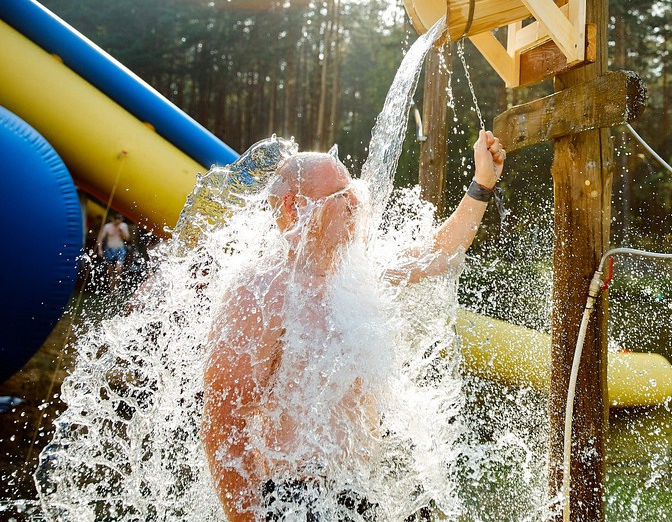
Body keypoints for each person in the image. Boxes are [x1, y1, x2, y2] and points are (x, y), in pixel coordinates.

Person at [202, 130, 506, 522]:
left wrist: (482, 184)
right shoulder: (260, 291)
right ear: (296, 207)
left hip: (360, 492)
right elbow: (223, 422)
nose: (355, 204)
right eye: (340, 195)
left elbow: (441, 250)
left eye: (354, 192)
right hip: (296, 498)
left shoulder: (357, 273)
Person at [96, 213, 131, 292]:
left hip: (120, 248)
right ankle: (112, 288)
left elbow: (128, 239)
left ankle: (117, 286)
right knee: (110, 270)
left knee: (119, 268)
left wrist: (122, 232)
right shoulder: (107, 226)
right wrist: (99, 249)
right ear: (114, 219)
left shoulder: (123, 226)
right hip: (109, 249)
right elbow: (100, 238)